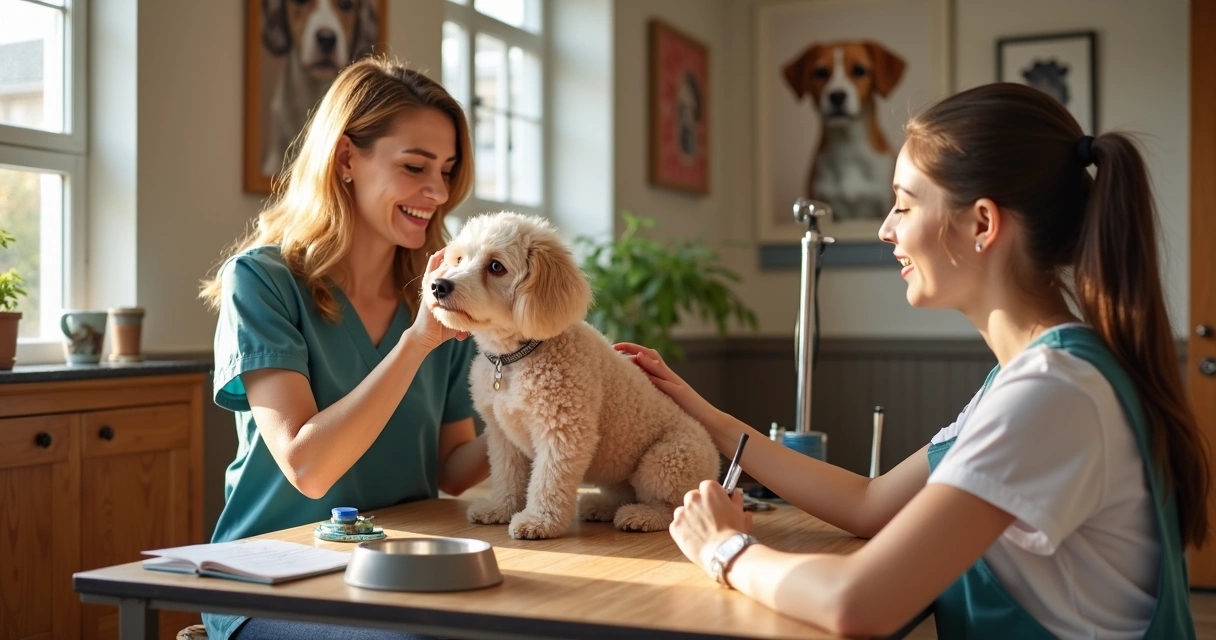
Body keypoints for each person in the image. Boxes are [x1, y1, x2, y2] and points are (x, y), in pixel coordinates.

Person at [616, 82, 1209, 639]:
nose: (884, 230)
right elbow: (870, 504)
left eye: (903, 205)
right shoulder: (1029, 376)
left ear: (982, 223)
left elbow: (858, 604)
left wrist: (723, 549)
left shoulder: (1053, 392)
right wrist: (698, 409)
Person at [198, 57, 487, 640]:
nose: (438, 193)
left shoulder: (440, 292)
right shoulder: (261, 281)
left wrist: (550, 416)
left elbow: (453, 470)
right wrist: (416, 344)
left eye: (449, 171)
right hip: (271, 581)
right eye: (414, 167)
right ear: (347, 158)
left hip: (397, 569)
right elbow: (309, 467)